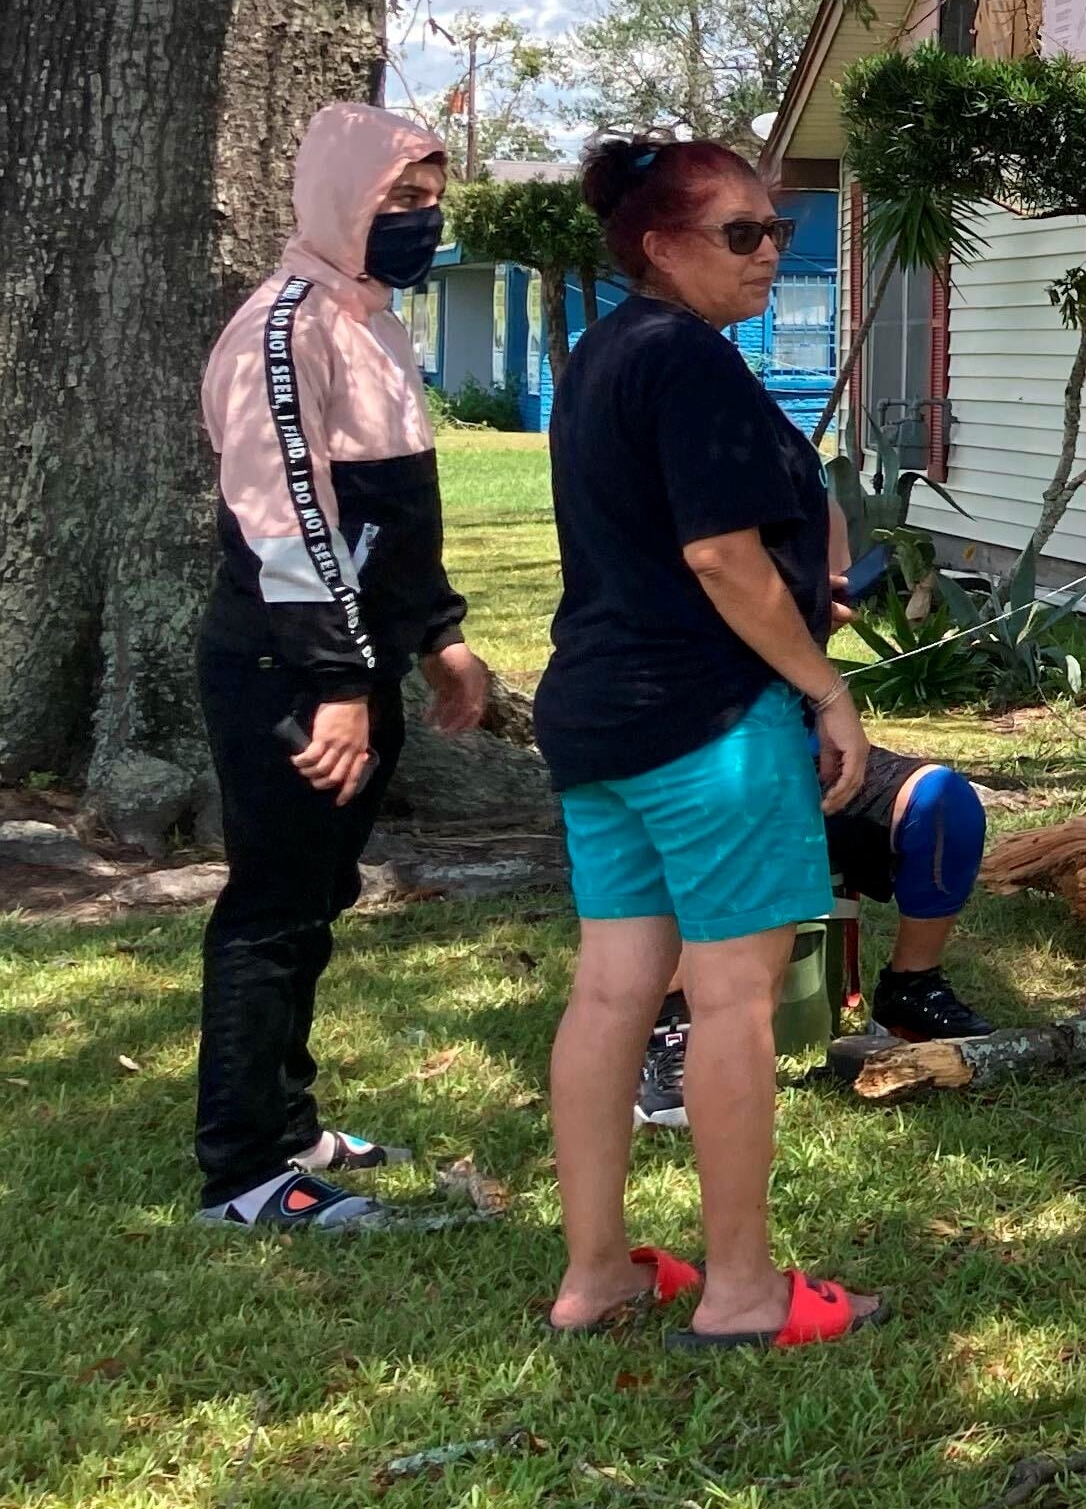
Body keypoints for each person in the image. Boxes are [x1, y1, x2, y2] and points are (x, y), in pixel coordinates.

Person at [533, 137, 885, 1348]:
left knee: (611, 991)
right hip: (709, 726)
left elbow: (699, 542)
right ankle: (740, 1291)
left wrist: (802, 584)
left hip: (601, 716)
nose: (772, 254)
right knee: (733, 1003)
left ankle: (598, 1274)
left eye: (777, 230)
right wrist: (822, 686)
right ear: (660, 248)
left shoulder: (599, 356)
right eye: (742, 234)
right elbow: (719, 558)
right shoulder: (686, 359)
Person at [193, 105, 497, 1227]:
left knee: (317, 896)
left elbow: (395, 518)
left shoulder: (374, 324)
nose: (418, 223)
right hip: (287, 674)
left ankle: (288, 1118)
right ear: (336, 202)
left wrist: (442, 639)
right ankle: (244, 1172)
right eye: (396, 203)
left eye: (429, 203)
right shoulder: (282, 331)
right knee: (273, 908)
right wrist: (337, 686)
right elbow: (288, 530)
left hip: (355, 667)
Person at [633, 742, 997, 1132]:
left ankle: (910, 990)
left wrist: (831, 709)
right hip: (686, 751)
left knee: (944, 802)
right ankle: (669, 1029)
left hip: (794, 747)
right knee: (714, 803)